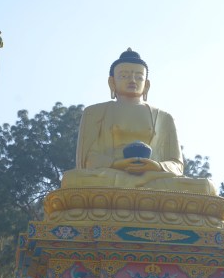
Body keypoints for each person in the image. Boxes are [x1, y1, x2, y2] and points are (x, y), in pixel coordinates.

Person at [60, 49, 215, 194]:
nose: (132, 80)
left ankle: (136, 191)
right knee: (72, 180)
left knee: (206, 187)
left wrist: (156, 166)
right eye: (124, 76)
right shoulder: (95, 112)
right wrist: (117, 164)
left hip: (153, 178)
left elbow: (176, 165)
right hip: (111, 176)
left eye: (139, 76)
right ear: (112, 82)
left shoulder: (164, 117)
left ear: (146, 84)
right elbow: (88, 160)